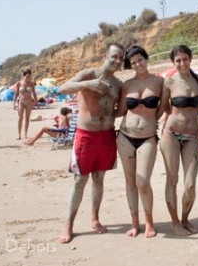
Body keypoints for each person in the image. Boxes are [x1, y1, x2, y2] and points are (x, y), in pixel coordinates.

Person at [59, 42, 125, 244]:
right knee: (80, 180)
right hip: (86, 135)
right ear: (105, 55)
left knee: (99, 179)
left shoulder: (118, 84)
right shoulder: (88, 74)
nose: (117, 60)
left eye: (120, 58)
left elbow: (120, 110)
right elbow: (63, 88)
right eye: (114, 56)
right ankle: (68, 224)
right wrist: (86, 85)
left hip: (106, 135)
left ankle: (95, 218)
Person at [156, 45, 198, 236]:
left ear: (190, 59)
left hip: (192, 136)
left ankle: (185, 218)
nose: (182, 63)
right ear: (173, 62)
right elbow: (163, 107)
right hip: (171, 135)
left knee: (190, 184)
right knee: (172, 179)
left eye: (185, 59)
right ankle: (175, 221)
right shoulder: (169, 82)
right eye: (178, 60)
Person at [115, 46, 163, 238]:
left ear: (146, 58)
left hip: (148, 138)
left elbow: (165, 107)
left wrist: (153, 121)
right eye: (133, 62)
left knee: (142, 181)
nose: (137, 64)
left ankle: (149, 222)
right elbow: (120, 111)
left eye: (140, 60)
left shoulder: (160, 82)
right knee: (130, 181)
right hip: (125, 136)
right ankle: (135, 223)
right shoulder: (127, 85)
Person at [13, 69, 38, 140]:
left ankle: (26, 134)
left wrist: (36, 102)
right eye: (27, 76)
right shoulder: (19, 83)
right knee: (20, 117)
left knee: (27, 118)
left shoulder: (32, 84)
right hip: (21, 101)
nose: (28, 77)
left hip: (29, 102)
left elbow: (34, 93)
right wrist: (14, 103)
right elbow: (16, 94)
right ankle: (19, 134)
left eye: (29, 76)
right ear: (24, 76)